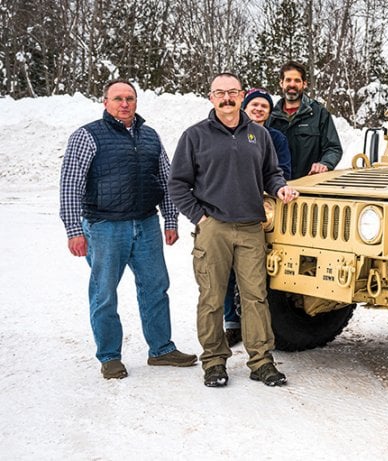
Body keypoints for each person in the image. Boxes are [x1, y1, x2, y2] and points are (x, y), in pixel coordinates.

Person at [169, 72, 300, 388]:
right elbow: (177, 184)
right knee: (212, 297)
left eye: (232, 92)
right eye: (219, 93)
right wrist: (200, 218)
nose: (226, 98)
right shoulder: (195, 136)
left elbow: (272, 172)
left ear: (242, 95)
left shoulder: (258, 134)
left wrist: (279, 188)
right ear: (211, 97)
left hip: (251, 228)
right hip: (213, 228)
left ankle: (261, 362)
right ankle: (214, 362)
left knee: (255, 297)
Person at [59, 79, 197, 379]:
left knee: (155, 287)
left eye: (130, 98)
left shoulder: (149, 136)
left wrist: (170, 220)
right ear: (105, 102)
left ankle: (161, 349)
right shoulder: (87, 136)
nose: (125, 104)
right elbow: (71, 184)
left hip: (146, 224)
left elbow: (166, 179)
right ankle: (109, 356)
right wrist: (74, 230)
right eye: (118, 98)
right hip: (105, 226)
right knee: (104, 293)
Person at [221, 88, 293, 347]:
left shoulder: (275, 138)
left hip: (263, 210)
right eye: (255, 105)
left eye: (264, 106)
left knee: (255, 270)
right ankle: (231, 323)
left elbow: (282, 170)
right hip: (228, 210)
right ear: (245, 106)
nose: (259, 109)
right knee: (227, 270)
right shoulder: (226, 134)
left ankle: (259, 330)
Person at [268, 61, 343, 178]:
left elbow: (333, 148)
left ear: (304, 84)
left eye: (297, 81)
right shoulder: (270, 116)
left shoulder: (319, 114)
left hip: (309, 186)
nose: (292, 84)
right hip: (276, 187)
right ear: (281, 83)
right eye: (288, 80)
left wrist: (324, 164)